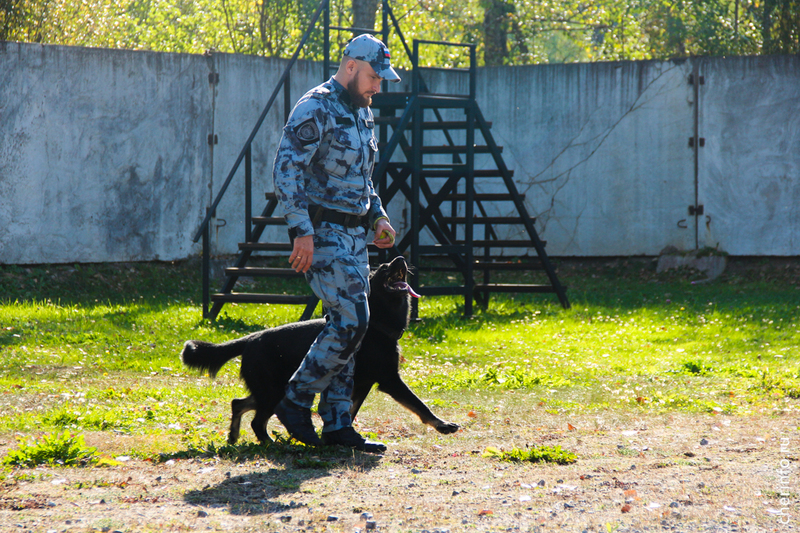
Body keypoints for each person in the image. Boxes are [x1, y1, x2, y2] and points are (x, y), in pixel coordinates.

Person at [271, 34, 400, 453]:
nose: (377, 86)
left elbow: (363, 179)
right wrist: (301, 231)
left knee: (349, 328)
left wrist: (376, 214)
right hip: (322, 233)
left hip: (354, 234)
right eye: (373, 77)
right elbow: (286, 169)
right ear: (350, 67)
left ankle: (338, 424)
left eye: (380, 79)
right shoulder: (316, 106)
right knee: (353, 320)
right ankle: (294, 400)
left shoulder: (363, 113)